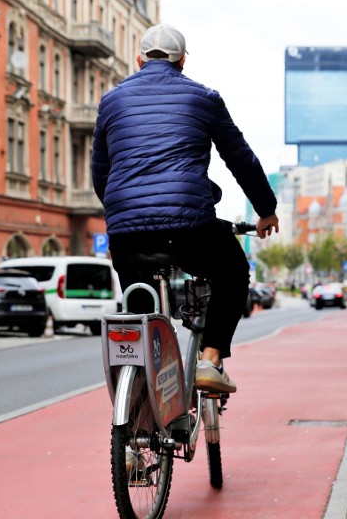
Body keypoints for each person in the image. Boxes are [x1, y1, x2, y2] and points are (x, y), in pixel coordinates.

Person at [92, 24, 279, 395]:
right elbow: (240, 158)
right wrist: (266, 208)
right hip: (189, 225)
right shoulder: (203, 97)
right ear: (183, 61)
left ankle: (138, 403)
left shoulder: (111, 101)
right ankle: (210, 360)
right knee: (233, 268)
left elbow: (101, 170)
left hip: (126, 230)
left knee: (139, 308)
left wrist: (119, 215)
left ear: (139, 59)